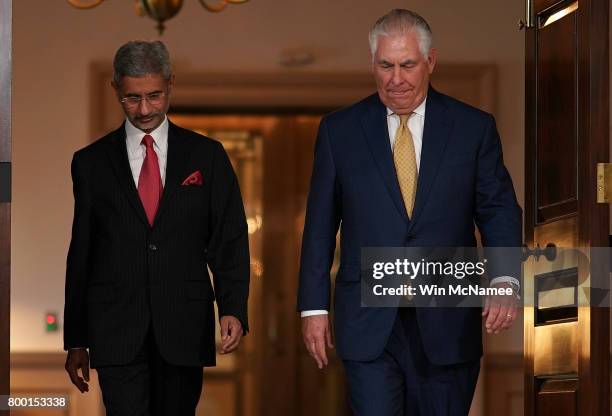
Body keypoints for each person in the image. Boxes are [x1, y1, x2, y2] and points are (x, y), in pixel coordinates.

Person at [298, 9, 522, 416]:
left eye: (407, 65)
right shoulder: (339, 131)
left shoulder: (473, 128)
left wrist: (505, 277)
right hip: (369, 323)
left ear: (430, 62)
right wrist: (314, 308)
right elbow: (319, 226)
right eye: (385, 65)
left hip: (447, 320)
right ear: (373, 64)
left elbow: (498, 209)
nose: (395, 78)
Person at [63, 40, 250, 416]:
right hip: (116, 330)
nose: (144, 109)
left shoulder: (207, 156)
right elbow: (82, 251)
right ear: (115, 88)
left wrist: (233, 308)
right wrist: (77, 339)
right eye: (132, 98)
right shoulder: (90, 163)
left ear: (170, 83)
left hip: (183, 324)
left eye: (154, 96)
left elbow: (229, 239)